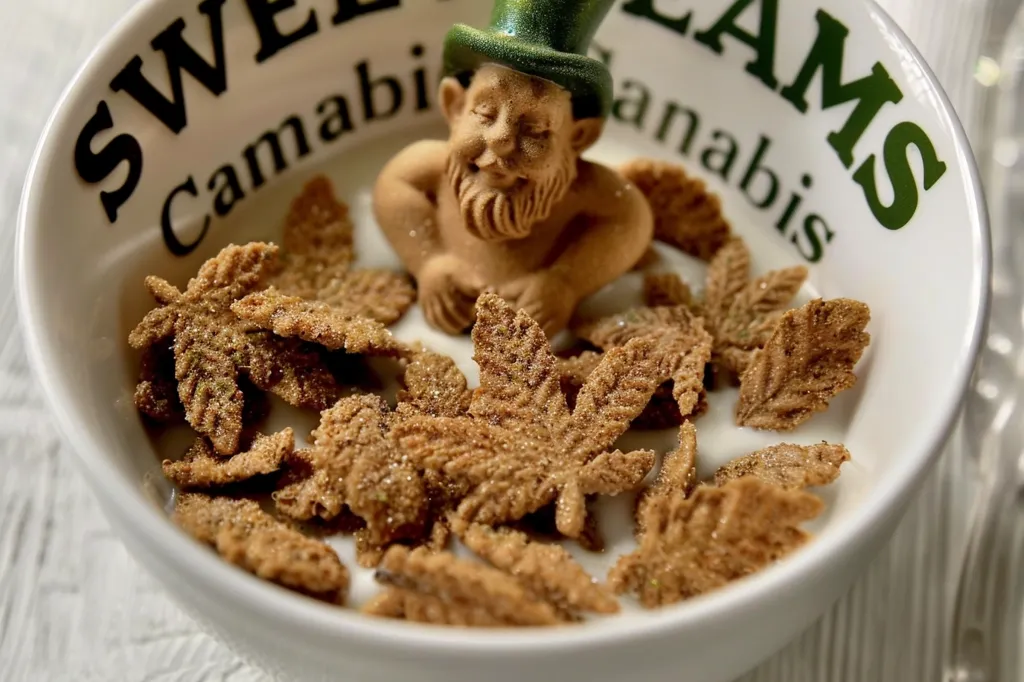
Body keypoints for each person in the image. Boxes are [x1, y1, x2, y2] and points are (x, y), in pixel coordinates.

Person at [372, 0, 653, 336]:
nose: (501, 139)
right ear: (455, 107)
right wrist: (428, 261)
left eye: (534, 129)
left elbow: (630, 219)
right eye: (485, 114)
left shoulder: (585, 190)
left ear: (578, 137)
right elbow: (395, 185)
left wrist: (565, 282)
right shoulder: (428, 169)